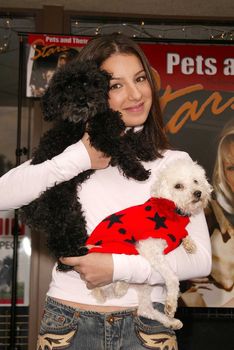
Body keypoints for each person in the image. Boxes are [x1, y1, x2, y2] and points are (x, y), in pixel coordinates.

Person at [0, 33, 211, 349]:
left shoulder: (175, 163)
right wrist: (76, 159)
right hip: (68, 323)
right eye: (116, 85)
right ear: (94, 92)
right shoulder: (70, 154)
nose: (135, 93)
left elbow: (200, 261)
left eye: (139, 79)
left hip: (147, 327)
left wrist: (117, 267)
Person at [180, 119, 234, 308]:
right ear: (222, 171)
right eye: (231, 168)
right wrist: (186, 270)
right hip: (210, 316)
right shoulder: (205, 211)